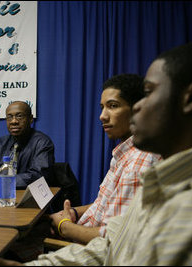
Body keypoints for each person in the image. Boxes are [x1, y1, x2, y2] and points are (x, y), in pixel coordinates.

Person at [0, 40, 192, 265]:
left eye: (148, 93)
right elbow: (115, 248)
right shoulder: (166, 180)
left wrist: (63, 225)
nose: (138, 108)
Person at [49, 74, 161, 245]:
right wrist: (73, 212)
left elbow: (113, 240)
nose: (102, 116)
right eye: (102, 107)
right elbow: (106, 205)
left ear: (138, 109)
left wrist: (64, 226)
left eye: (113, 106)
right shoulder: (124, 153)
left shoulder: (138, 163)